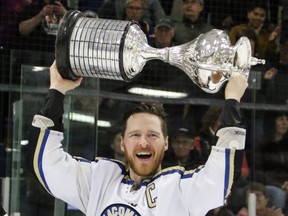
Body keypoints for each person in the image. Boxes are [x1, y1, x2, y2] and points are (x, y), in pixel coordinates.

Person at [29, 60, 248, 215]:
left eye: (153, 135)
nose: (144, 142)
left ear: (166, 143)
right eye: (135, 135)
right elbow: (48, 163)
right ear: (123, 143)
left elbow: (222, 176)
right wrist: (56, 91)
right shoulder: (100, 181)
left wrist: (232, 100)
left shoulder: (180, 189)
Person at [97, 0, 165, 25]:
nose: (134, 11)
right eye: (131, 8)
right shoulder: (112, 2)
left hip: (145, 29)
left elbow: (161, 20)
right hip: (121, 26)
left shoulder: (153, 2)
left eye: (138, 9)